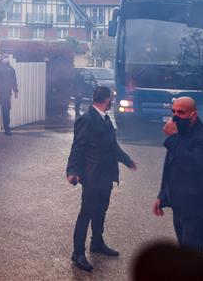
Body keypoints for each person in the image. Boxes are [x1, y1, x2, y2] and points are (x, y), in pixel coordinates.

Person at [66, 86, 137, 272]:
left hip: (106, 175)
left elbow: (113, 147)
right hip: (91, 175)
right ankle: (78, 253)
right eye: (111, 98)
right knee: (86, 213)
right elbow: (77, 146)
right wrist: (72, 170)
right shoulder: (86, 119)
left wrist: (128, 161)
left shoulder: (105, 119)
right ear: (106, 99)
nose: (112, 101)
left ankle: (97, 242)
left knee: (101, 211)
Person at [153, 96, 203, 254]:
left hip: (198, 208)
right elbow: (170, 167)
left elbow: (194, 167)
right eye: (173, 111)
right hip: (180, 205)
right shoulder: (181, 134)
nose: (176, 116)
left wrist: (173, 138)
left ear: (193, 115)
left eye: (181, 112)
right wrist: (161, 195)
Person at [0, 54, 18, 136]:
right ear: (1, 57)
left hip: (6, 93)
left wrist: (16, 91)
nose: (6, 58)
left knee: (6, 110)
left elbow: (13, 80)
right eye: (5, 57)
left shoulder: (10, 69)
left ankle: (7, 129)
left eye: (7, 57)